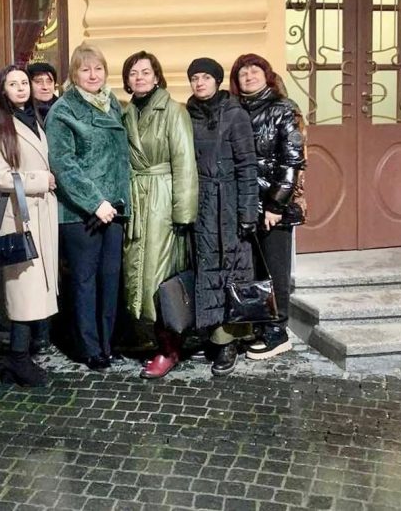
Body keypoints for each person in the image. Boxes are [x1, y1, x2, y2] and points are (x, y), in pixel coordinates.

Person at [46, 43, 130, 371]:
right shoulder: (64, 110)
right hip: (80, 213)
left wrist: (117, 202)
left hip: (115, 208)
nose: (93, 75)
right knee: (84, 280)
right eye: (85, 69)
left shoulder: (112, 103)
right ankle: (88, 347)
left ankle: (108, 343)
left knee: (110, 278)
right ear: (74, 74)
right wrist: (95, 202)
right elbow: (64, 165)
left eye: (98, 68)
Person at [121, 50, 198, 379]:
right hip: (137, 198)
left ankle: (169, 347)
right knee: (137, 272)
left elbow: (184, 162)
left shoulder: (174, 111)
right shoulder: (126, 113)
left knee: (159, 276)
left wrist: (183, 214)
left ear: (157, 76)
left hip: (163, 200)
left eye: (145, 72)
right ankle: (149, 337)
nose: (139, 77)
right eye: (133, 73)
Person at [0, 65, 59, 385]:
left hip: (42, 212)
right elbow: (0, 176)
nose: (21, 88)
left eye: (24, 83)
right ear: (2, 90)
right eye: (13, 84)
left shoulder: (35, 118)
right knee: (23, 291)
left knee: (36, 289)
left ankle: (23, 354)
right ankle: (17, 359)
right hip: (19, 215)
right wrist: (41, 180)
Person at [230, 53, 306, 360]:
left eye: (254, 71)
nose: (249, 77)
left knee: (275, 271)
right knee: (254, 271)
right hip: (246, 205)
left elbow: (292, 162)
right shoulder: (236, 110)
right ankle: (260, 327)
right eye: (243, 73)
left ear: (267, 75)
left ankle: (278, 332)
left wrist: (276, 205)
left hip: (275, 208)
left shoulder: (283, 109)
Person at [186, 57, 259, 376]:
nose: (199, 83)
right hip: (201, 203)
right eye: (194, 78)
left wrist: (247, 212)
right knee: (207, 271)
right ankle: (212, 335)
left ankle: (229, 341)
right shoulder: (187, 114)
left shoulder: (235, 114)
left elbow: (247, 165)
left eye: (205, 77)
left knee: (233, 271)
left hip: (228, 204)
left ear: (217, 81)